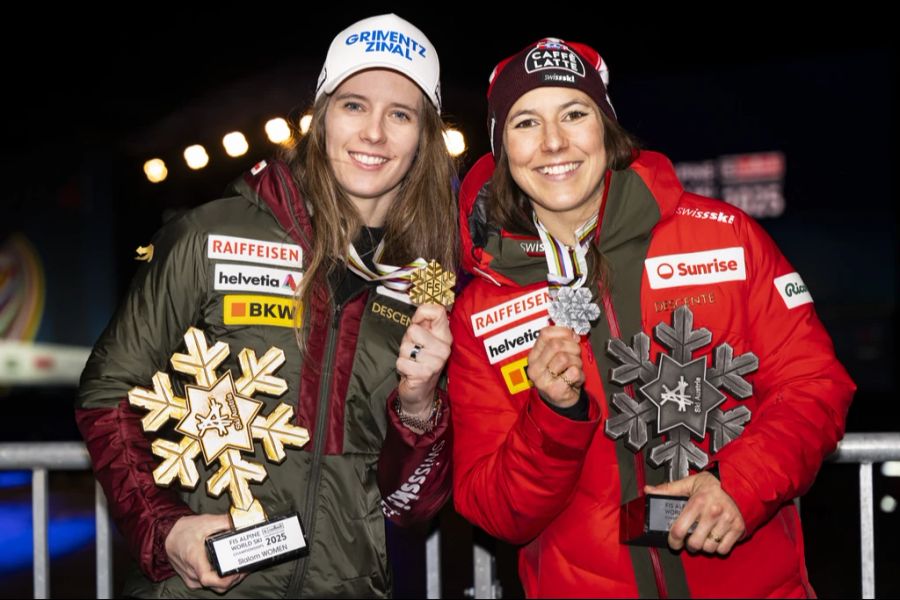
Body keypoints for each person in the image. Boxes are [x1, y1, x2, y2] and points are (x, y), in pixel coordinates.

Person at [448, 37, 855, 597]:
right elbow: (497, 511)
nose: (553, 143)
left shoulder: (725, 238)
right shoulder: (481, 307)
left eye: (574, 113)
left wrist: (740, 484)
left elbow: (816, 385)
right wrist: (553, 416)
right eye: (524, 122)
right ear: (501, 148)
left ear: (606, 128)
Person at [76, 13, 456, 598]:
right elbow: (108, 392)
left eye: (400, 114)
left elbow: (411, 508)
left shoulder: (424, 285)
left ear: (423, 139)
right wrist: (163, 527)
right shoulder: (210, 235)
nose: (374, 133)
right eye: (354, 105)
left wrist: (419, 406)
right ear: (322, 116)